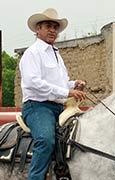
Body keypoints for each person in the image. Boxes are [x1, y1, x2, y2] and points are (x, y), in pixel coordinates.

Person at [19, 8, 86, 180]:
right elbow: (34, 82)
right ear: (37, 29)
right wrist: (67, 91)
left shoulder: (56, 54)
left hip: (58, 107)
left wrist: (74, 84)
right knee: (45, 140)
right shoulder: (32, 53)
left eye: (55, 27)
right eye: (48, 26)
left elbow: (60, 83)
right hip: (37, 107)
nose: (52, 30)